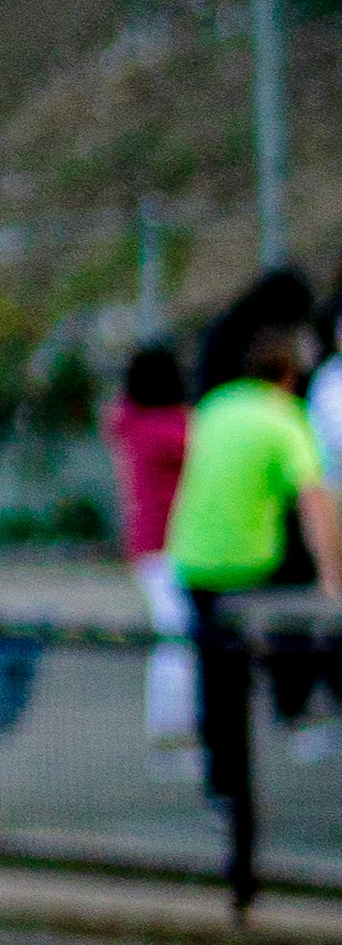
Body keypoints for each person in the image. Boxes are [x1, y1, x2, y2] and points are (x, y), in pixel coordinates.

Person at [167, 287, 342, 813]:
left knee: (216, 673)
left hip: (193, 557)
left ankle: (225, 787)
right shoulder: (284, 418)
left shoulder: (215, 405)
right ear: (289, 376)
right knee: (297, 637)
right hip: (248, 562)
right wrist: (333, 575)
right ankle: (302, 714)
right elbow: (315, 505)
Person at [114, 339, 197, 761]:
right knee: (177, 638)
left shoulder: (131, 421)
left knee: (175, 637)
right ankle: (171, 733)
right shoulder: (171, 426)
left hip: (151, 543)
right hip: (168, 544)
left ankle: (172, 731)